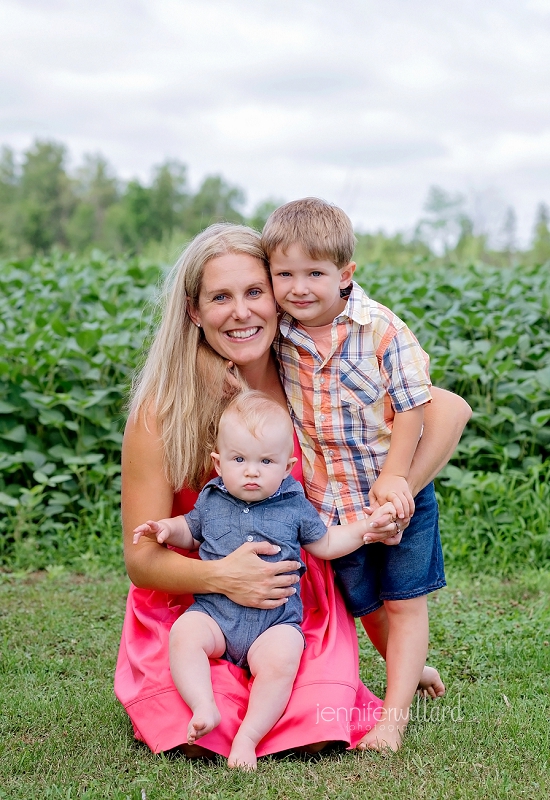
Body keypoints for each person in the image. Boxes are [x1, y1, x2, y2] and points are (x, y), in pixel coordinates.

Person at [115, 221, 471, 760]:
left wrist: (396, 490)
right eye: (220, 297)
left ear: (279, 297)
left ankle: (395, 664)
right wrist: (220, 574)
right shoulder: (164, 410)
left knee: (310, 724)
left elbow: (448, 409)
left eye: (255, 291)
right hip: (193, 601)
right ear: (193, 310)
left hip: (292, 606)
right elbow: (141, 561)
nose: (242, 311)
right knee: (204, 730)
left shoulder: (309, 372)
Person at [263, 197, 450, 751]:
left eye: (314, 273)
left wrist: (397, 479)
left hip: (391, 499)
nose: (298, 287)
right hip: (330, 505)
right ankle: (409, 671)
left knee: (404, 601)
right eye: (284, 274)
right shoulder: (281, 334)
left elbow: (416, 404)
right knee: (365, 604)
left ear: (345, 275)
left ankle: (392, 722)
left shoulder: (381, 329)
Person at [133, 391, 398, 769]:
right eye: (239, 459)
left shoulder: (293, 504)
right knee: (185, 634)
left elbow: (324, 542)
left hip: (274, 623)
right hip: (215, 617)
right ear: (218, 462)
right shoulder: (211, 499)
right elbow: (189, 531)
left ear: (287, 465)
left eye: (266, 461)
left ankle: (249, 736)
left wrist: (363, 530)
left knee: (282, 658)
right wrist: (164, 528)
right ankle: (202, 704)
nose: (252, 471)